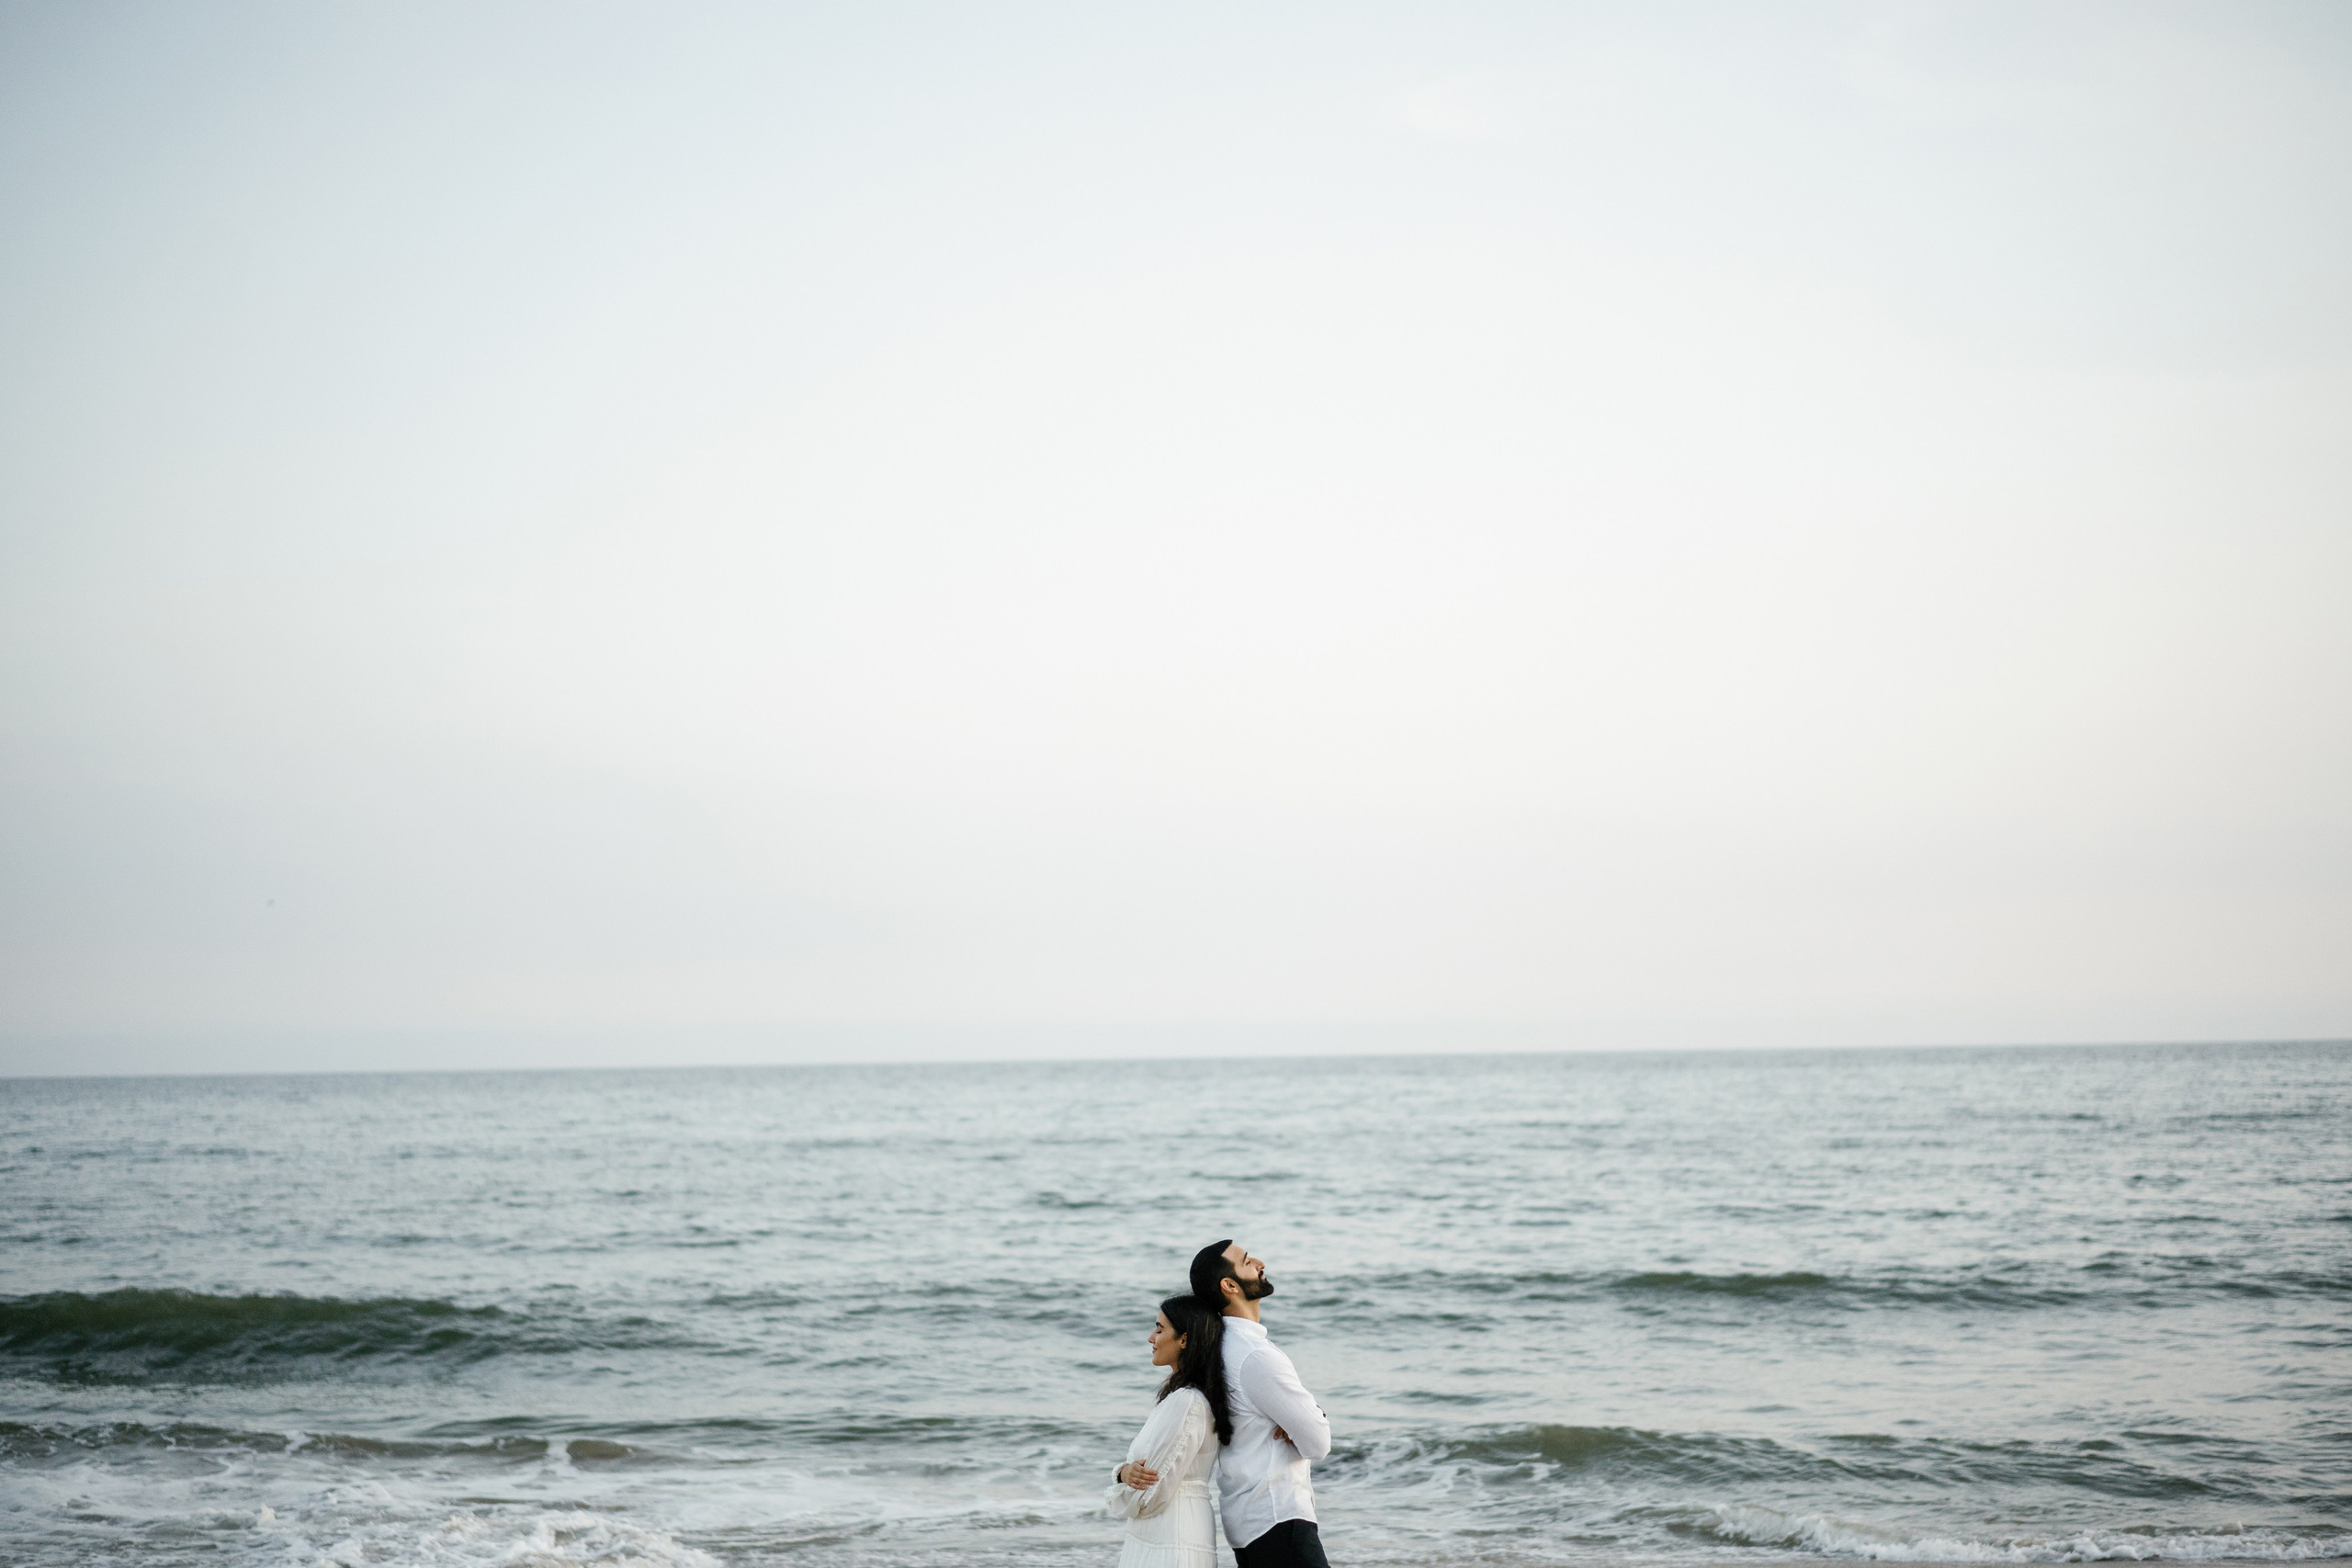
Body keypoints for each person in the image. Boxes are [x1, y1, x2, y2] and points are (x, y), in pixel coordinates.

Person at [1189, 1240, 1332, 1568]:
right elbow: (1318, 1442)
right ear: (1229, 1285)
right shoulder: (1255, 1356)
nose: (1259, 1262)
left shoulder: (1221, 1348)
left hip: (1248, 1521)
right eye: (1246, 1260)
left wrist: (1303, 1419)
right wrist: (1311, 1417)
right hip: (1278, 1519)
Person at [1105, 1292, 1231, 1568]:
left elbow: (1152, 1494)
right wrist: (1123, 1473)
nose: (1151, 1338)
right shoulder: (1181, 1397)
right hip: (1164, 1533)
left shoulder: (1187, 1401)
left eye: (1160, 1329)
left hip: (1172, 1535)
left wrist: (1121, 1487)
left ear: (1184, 1339)